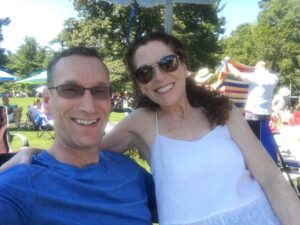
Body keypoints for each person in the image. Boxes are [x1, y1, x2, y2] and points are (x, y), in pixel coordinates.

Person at [1, 32, 300, 224]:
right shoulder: (143, 123)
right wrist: (28, 156)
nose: (158, 76)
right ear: (139, 84)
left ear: (183, 64)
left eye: (167, 63)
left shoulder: (222, 110)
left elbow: (271, 179)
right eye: (145, 72)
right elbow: (82, 146)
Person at [0, 47, 156, 225]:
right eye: (71, 90)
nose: (88, 107)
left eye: (99, 91)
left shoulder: (130, 171)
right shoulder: (18, 187)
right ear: (47, 100)